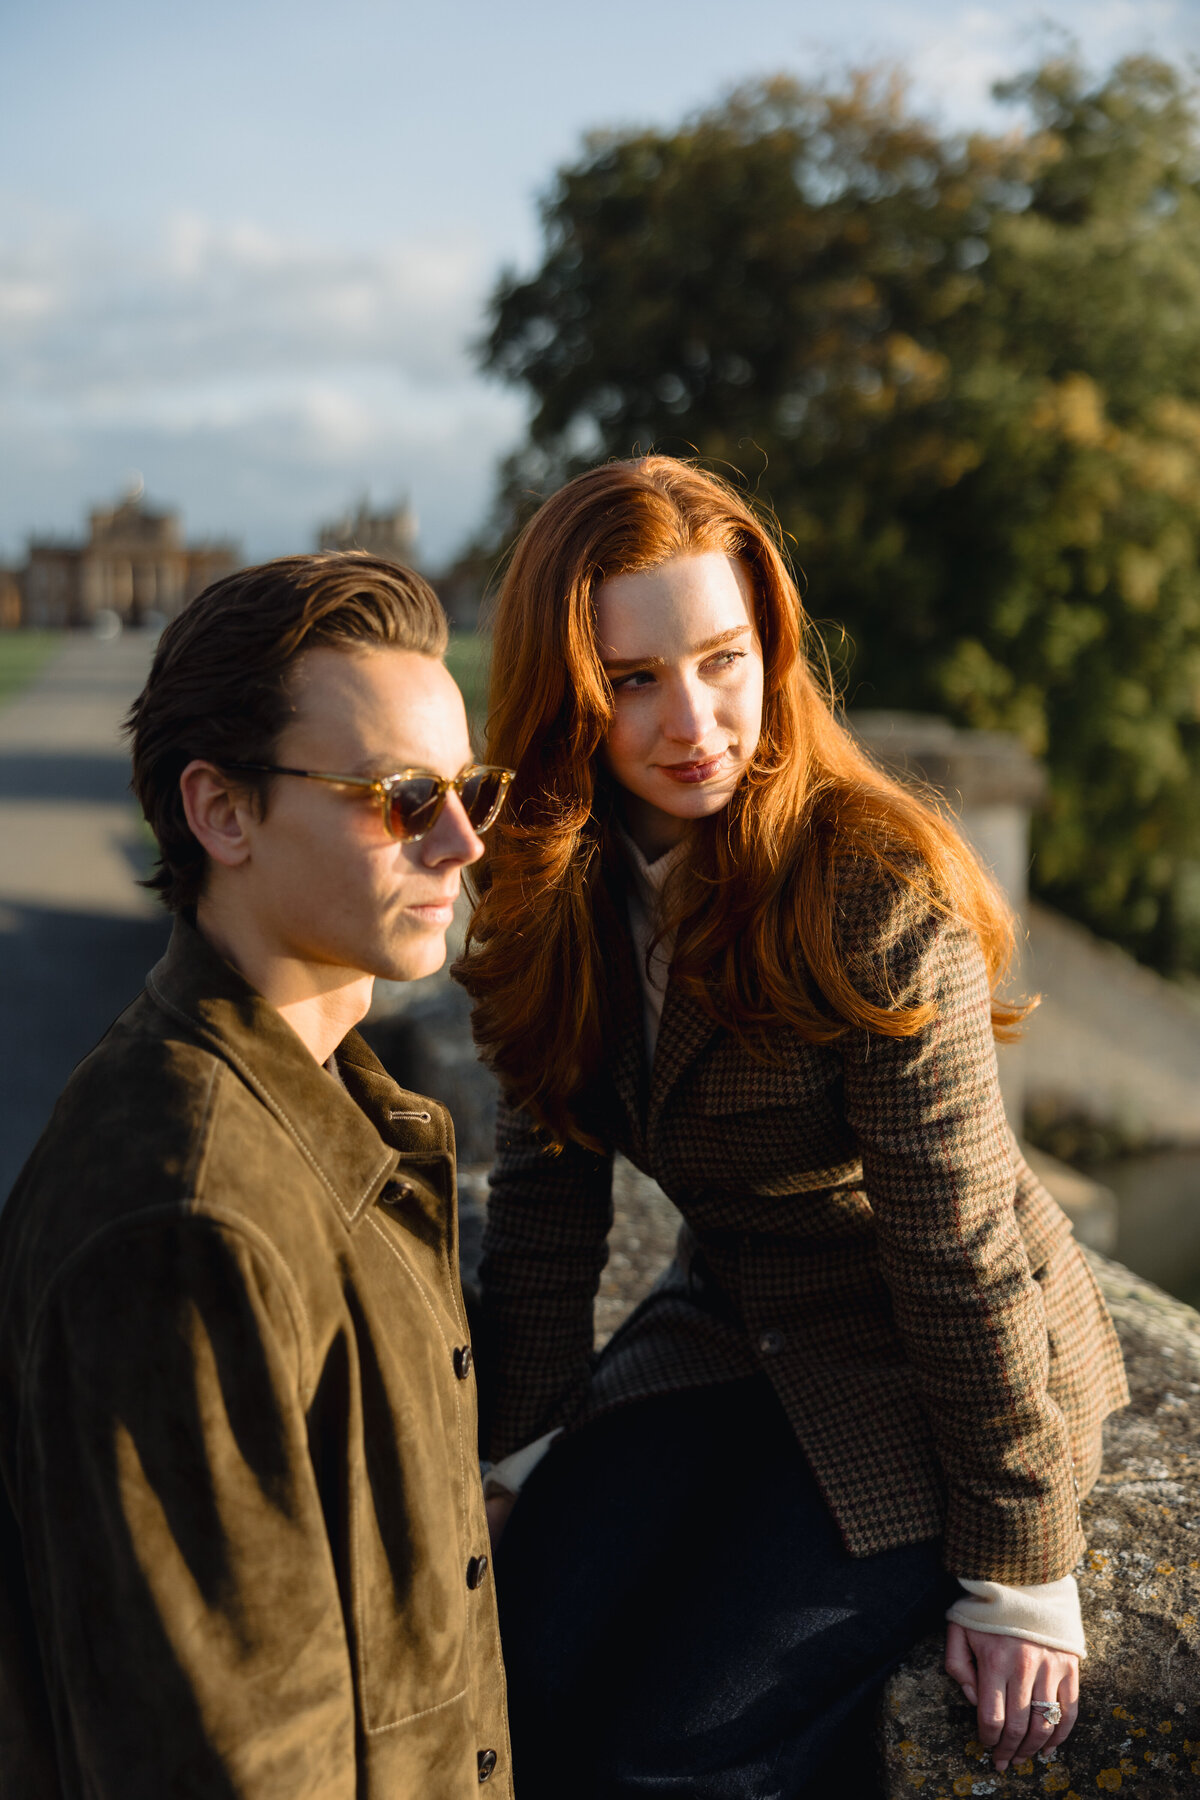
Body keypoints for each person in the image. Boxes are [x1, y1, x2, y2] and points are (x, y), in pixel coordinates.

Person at [455, 458, 1130, 1797]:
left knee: (674, 1755)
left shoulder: (873, 889)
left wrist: (1021, 1565)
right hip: (730, 1328)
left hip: (920, 1364)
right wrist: (507, 1453)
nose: (694, 720)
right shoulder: (548, 896)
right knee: (509, 1666)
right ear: (568, 695)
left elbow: (960, 1246)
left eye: (723, 658)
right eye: (633, 679)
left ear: (773, 645)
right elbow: (545, 1211)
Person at [0, 554, 516, 1798]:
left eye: (472, 790)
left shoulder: (327, 1106)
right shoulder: (188, 1214)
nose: (461, 842)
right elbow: (234, 1760)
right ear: (222, 814)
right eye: (401, 797)